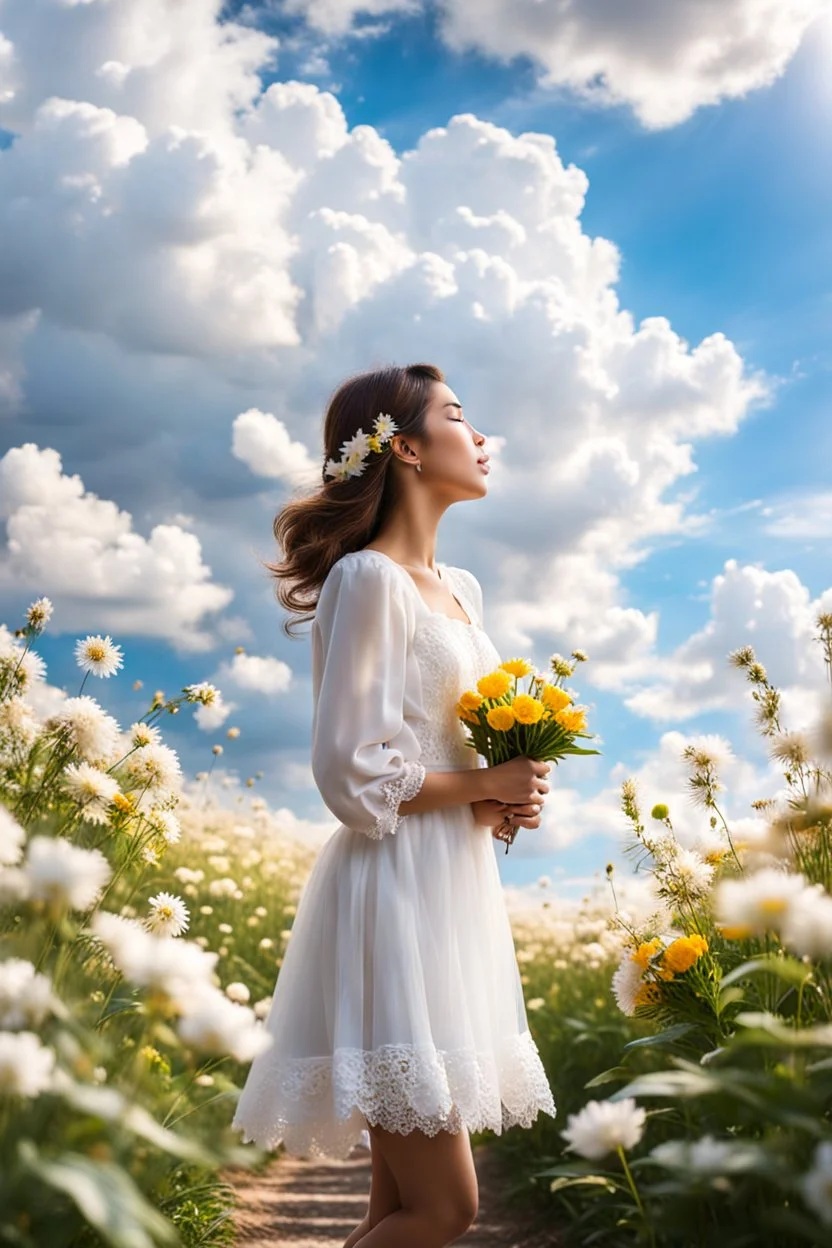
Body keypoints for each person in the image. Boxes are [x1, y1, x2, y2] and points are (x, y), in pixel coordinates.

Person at [231, 362, 557, 1247]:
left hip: (450, 893)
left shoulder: (463, 591)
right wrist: (485, 783)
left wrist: (502, 800)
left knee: (396, 1211)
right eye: (458, 416)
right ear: (405, 447)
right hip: (393, 899)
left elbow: (438, 757)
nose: (481, 436)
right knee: (446, 1209)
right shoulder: (367, 580)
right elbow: (353, 774)